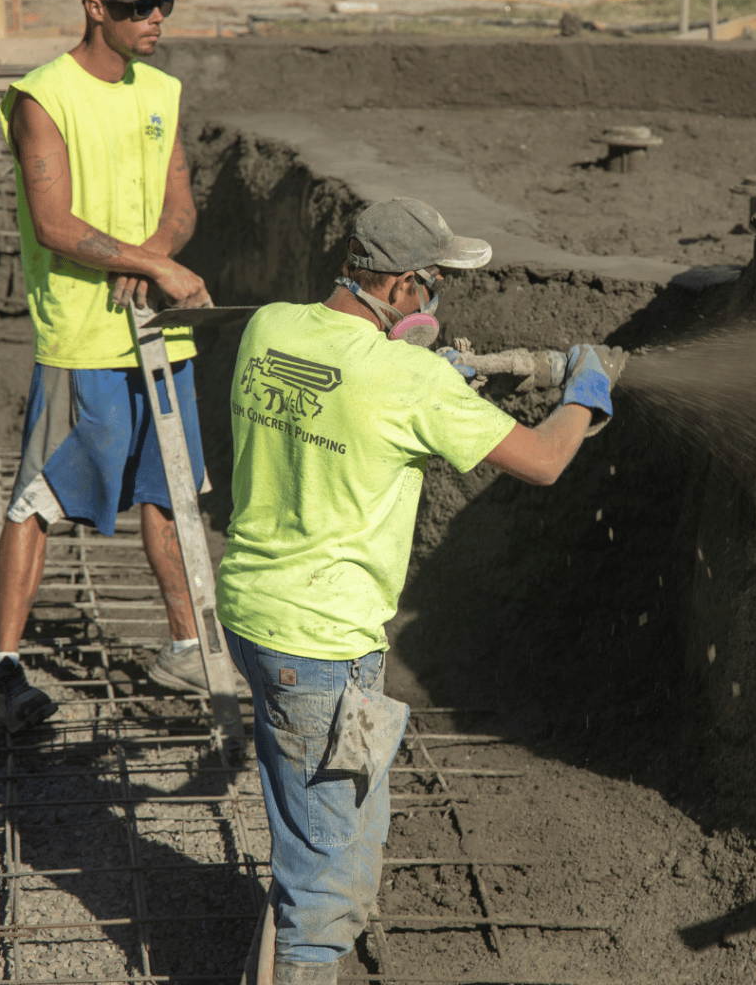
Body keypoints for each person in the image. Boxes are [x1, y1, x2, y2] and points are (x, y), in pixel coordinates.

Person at [215, 197, 624, 984]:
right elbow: (543, 460)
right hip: (322, 645)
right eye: (433, 284)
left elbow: (339, 385)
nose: (438, 300)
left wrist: (435, 376)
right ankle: (305, 955)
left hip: (257, 614)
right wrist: (584, 392)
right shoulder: (405, 380)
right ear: (401, 288)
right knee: (323, 890)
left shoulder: (271, 326)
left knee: (331, 818)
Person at [0, 0, 220, 734]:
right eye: (139, 8)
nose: (156, 18)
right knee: (40, 495)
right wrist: (148, 264)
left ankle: (188, 645)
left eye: (161, 4)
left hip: (154, 329)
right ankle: (5, 665)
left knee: (169, 489)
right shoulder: (43, 97)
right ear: (95, 9)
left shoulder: (160, 92)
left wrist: (152, 254)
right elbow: (53, 223)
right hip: (80, 337)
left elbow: (179, 201)